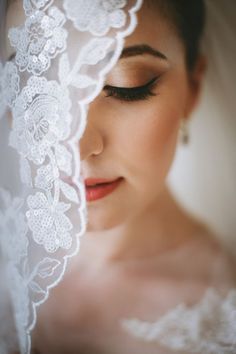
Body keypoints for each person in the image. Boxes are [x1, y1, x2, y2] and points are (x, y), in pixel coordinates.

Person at [3, 0, 236, 353]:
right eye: (32, 86)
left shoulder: (221, 322)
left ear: (193, 88)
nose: (76, 148)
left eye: (127, 87)